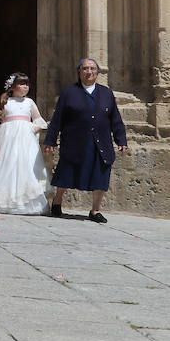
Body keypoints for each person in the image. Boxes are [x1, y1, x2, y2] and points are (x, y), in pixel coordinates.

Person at [45, 58, 129, 223]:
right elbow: (57, 118)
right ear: (79, 72)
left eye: (92, 68)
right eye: (85, 69)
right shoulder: (69, 92)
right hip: (75, 141)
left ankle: (95, 210)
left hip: (100, 142)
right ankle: (57, 200)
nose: (89, 72)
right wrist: (51, 140)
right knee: (66, 172)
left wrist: (121, 140)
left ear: (97, 72)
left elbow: (115, 119)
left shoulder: (106, 93)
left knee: (101, 175)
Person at [0, 72, 49, 214]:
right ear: (12, 86)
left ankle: (23, 202)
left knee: (24, 166)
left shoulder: (29, 102)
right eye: (21, 84)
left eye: (27, 84)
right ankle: (1, 200)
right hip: (6, 138)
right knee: (5, 165)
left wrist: (32, 129)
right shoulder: (5, 102)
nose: (25, 87)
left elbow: (39, 120)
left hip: (25, 139)